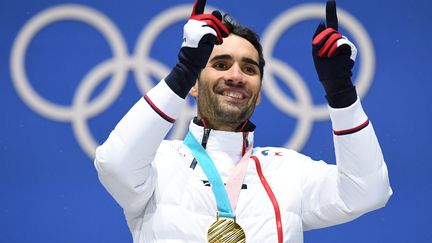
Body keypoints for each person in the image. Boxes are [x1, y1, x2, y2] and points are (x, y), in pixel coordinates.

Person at [94, 0, 392, 242]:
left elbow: (367, 192)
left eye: (249, 69)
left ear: (259, 92)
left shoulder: (288, 171)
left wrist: (341, 94)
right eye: (220, 64)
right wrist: (182, 73)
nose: (236, 76)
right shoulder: (158, 163)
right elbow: (114, 164)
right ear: (193, 85)